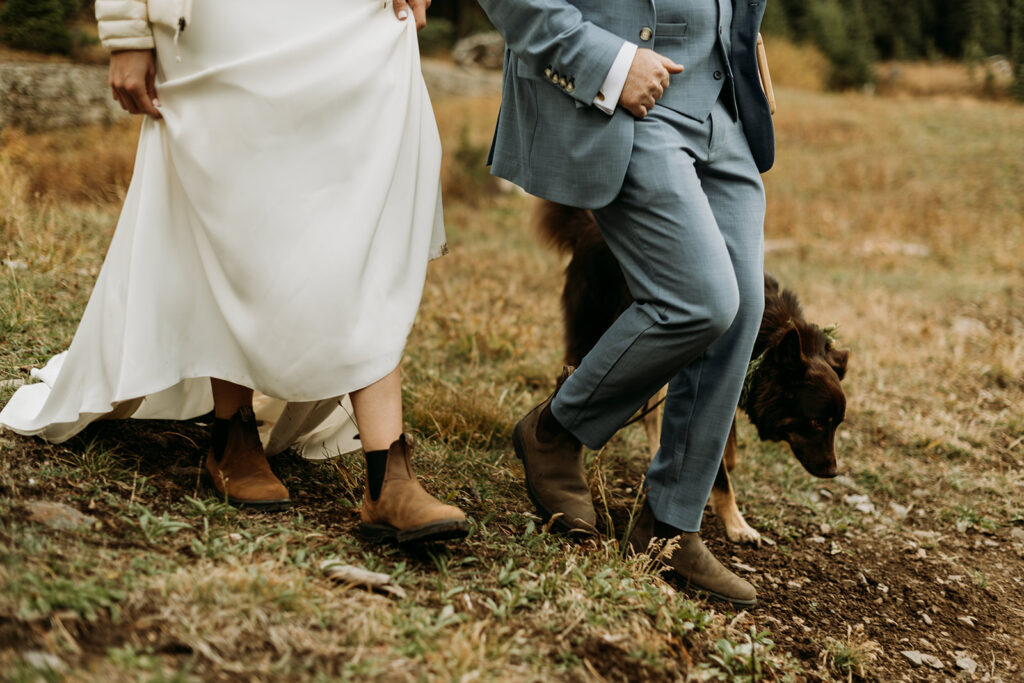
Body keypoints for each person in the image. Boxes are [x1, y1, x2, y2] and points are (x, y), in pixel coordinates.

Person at [0, 0, 469, 545]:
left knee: (363, 209)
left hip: (354, 17)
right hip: (225, 20)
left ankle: (388, 473)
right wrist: (127, 30)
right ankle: (233, 431)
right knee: (240, 202)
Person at [476, 0, 775, 605]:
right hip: (627, 102)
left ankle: (670, 527)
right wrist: (607, 62)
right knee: (701, 300)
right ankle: (555, 432)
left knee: (741, 312)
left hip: (724, 107)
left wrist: (745, 48)